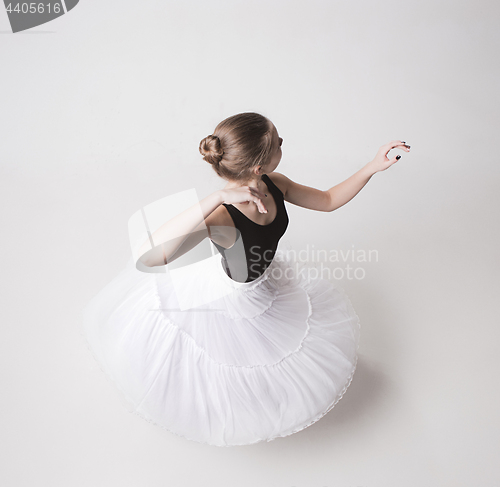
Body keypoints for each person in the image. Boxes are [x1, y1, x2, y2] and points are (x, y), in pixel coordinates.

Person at [82, 112, 410, 447]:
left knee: (284, 345)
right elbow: (149, 256)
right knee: (232, 364)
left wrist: (372, 166)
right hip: (236, 297)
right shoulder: (222, 216)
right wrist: (216, 198)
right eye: (278, 143)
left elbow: (326, 201)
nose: (283, 144)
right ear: (257, 165)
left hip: (265, 278)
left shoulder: (274, 183)